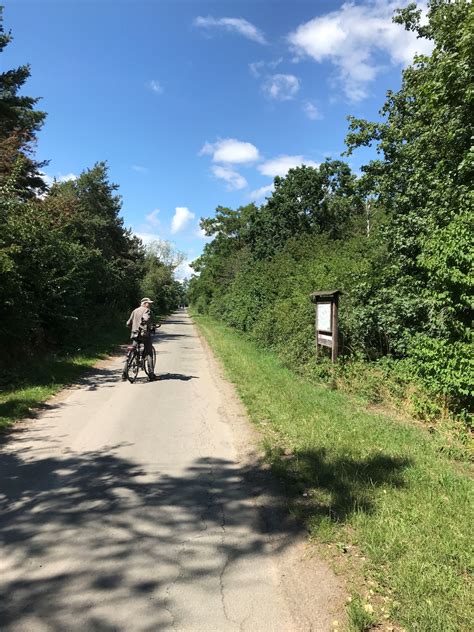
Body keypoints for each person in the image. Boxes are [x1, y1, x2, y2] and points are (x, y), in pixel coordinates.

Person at [122, 297, 157, 381]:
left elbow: (128, 323)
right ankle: (151, 375)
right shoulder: (146, 310)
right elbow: (146, 319)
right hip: (143, 334)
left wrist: (133, 327)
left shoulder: (135, 310)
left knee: (133, 350)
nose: (150, 305)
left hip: (134, 334)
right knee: (149, 352)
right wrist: (148, 326)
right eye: (149, 303)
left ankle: (124, 374)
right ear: (144, 303)